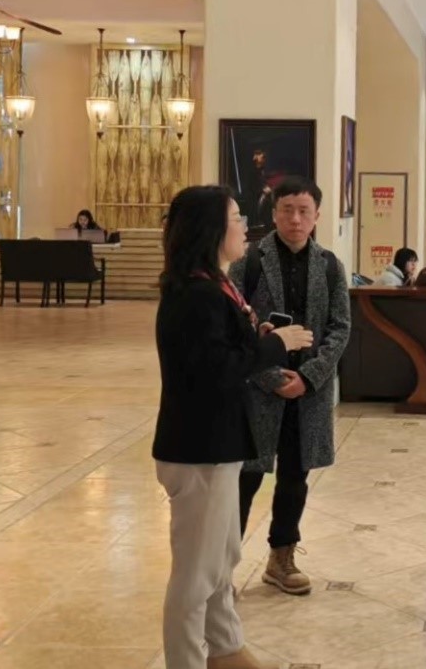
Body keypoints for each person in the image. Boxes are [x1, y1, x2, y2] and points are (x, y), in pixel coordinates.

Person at [152, 185, 311, 669]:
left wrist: (257, 335)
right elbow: (217, 371)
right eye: (237, 217)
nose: (245, 226)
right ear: (211, 229)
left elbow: (221, 352)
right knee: (196, 574)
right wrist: (276, 344)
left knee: (221, 560)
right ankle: (185, 660)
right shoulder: (195, 294)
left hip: (217, 441)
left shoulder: (212, 285)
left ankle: (225, 649)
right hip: (198, 448)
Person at [229, 177, 351, 596]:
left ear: (317, 216)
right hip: (259, 390)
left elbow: (340, 328)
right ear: (275, 213)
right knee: (245, 479)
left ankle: (281, 557)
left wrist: (310, 377)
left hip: (308, 394)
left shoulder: (330, 265)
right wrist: (273, 377)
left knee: (295, 477)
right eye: (287, 210)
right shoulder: (249, 262)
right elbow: (237, 329)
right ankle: (221, 567)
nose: (295, 219)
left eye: (304, 211)